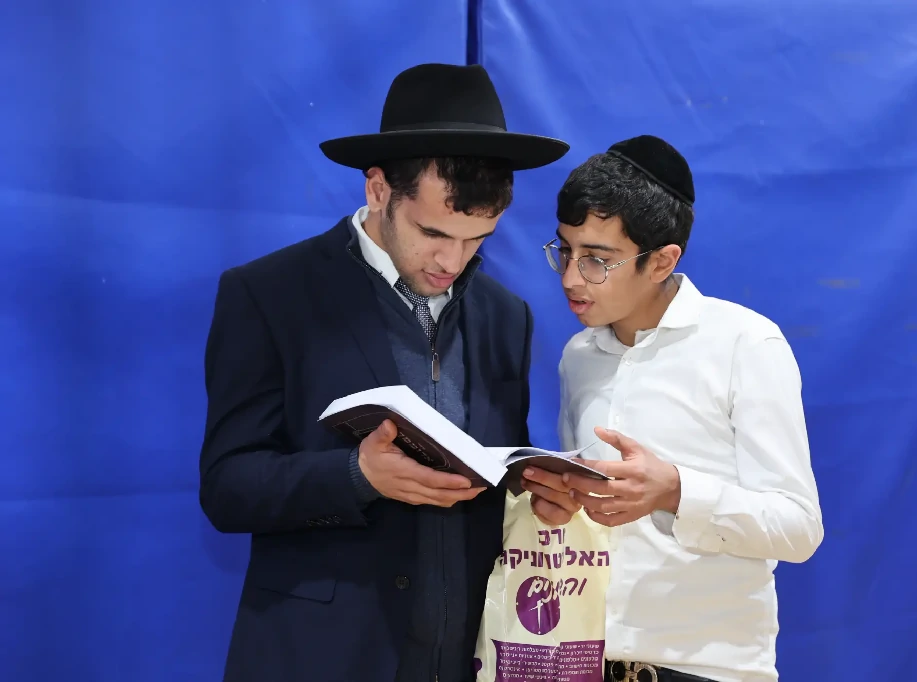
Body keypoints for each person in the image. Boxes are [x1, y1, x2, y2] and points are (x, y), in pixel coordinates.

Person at [198, 63, 569, 682]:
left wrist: (538, 500)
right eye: (432, 232)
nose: (452, 260)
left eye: (478, 238)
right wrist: (357, 475)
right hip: (319, 659)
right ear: (378, 190)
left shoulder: (507, 316)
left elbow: (491, 478)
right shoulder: (270, 294)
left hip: (465, 656)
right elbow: (227, 488)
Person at [520, 135, 823, 682]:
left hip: (708, 667)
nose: (570, 278)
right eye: (564, 250)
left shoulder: (744, 344)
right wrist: (561, 506)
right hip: (583, 661)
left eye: (597, 261)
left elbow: (798, 528)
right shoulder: (578, 356)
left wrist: (676, 491)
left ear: (662, 261)